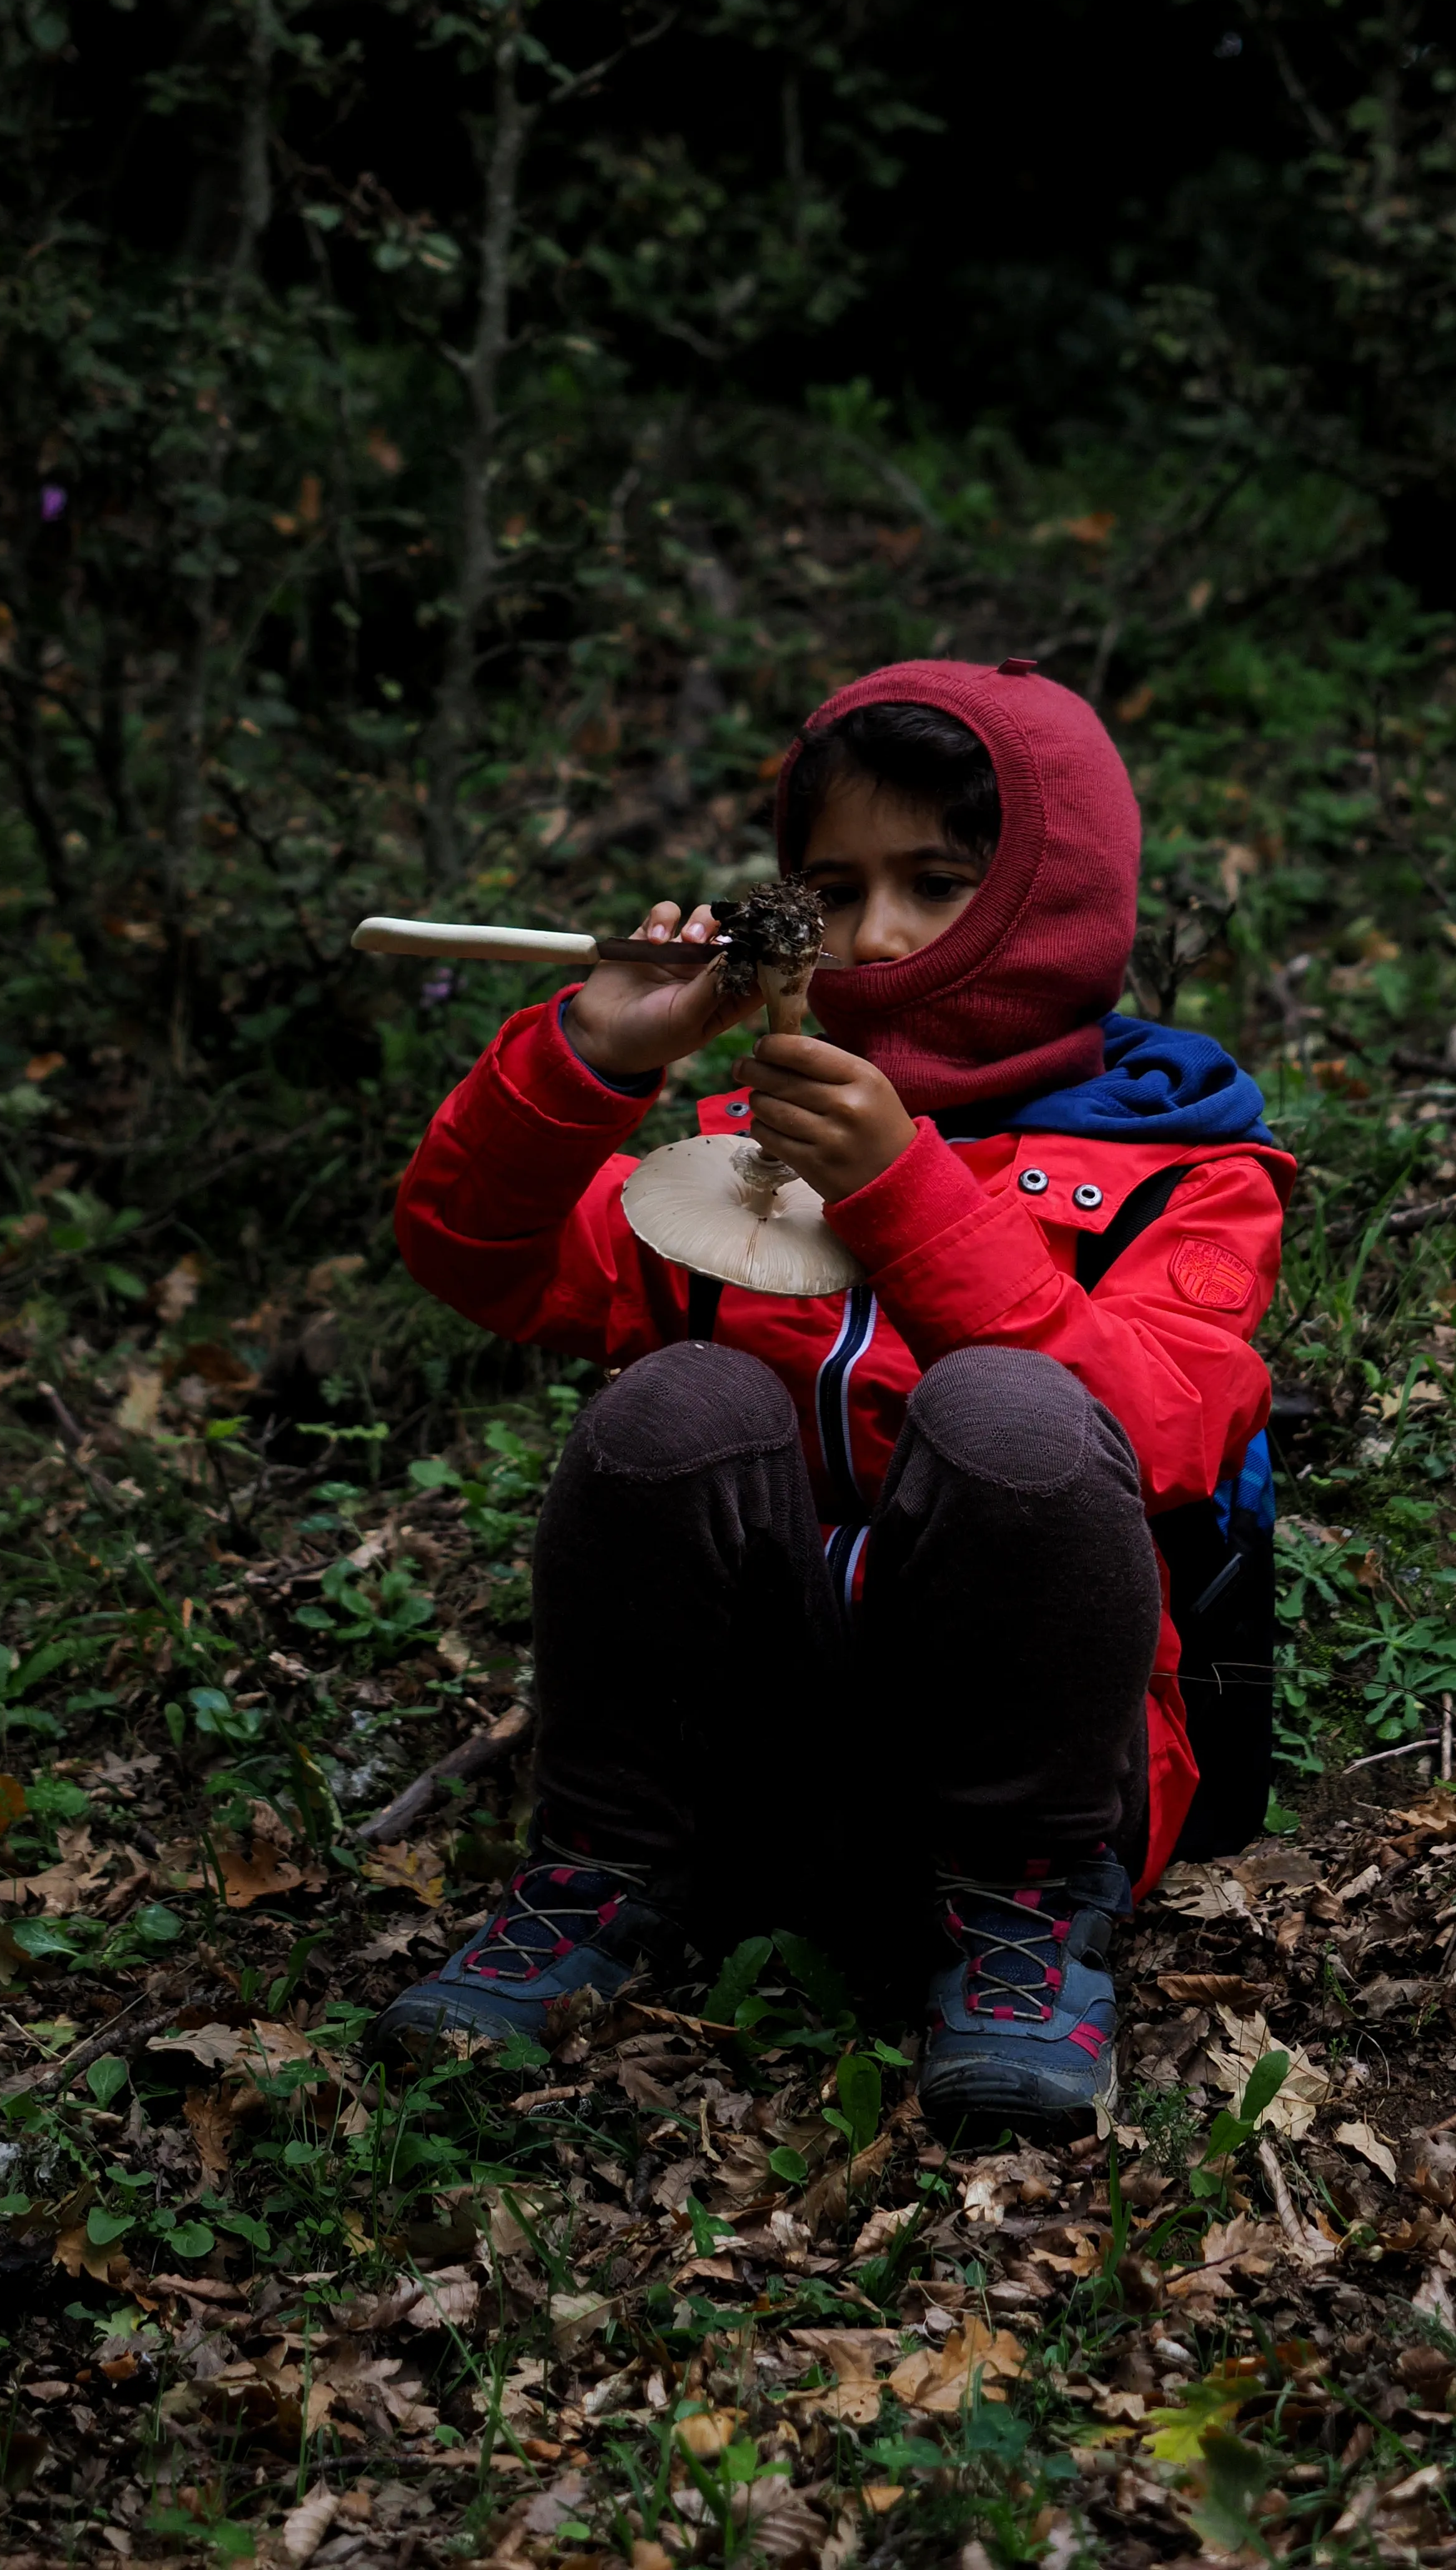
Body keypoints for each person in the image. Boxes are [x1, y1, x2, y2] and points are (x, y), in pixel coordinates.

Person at [375, 655, 1292, 2137]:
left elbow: (1164, 1434)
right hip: (753, 1780)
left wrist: (907, 1195)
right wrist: (590, 1062)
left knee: (1014, 1417)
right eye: (834, 886)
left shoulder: (1181, 1176)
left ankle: (1026, 1929)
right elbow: (477, 1256)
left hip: (1041, 1778)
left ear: (1052, 901)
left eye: (939, 883)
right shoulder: (732, 1160)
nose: (878, 938)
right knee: (672, 1405)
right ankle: (609, 1870)